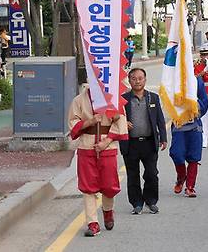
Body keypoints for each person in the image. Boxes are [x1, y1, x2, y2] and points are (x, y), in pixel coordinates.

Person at [68, 88, 128, 237]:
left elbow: (121, 119)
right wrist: (90, 121)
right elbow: (73, 122)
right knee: (88, 187)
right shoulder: (79, 100)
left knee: (109, 185)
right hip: (86, 147)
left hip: (107, 147)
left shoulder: (113, 98)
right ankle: (92, 223)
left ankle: (108, 211)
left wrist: (106, 141)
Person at [120, 68, 168, 214]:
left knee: (151, 173)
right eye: (134, 78)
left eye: (140, 78)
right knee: (132, 175)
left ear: (145, 80)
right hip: (131, 143)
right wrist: (123, 122)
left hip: (149, 142)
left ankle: (151, 201)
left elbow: (160, 118)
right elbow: (114, 117)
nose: (137, 81)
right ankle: (137, 203)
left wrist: (164, 138)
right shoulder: (123, 99)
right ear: (129, 80)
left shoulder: (152, 97)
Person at [169, 76, 208, 198]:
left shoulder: (197, 81)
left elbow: (205, 101)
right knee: (176, 153)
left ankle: (190, 187)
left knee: (194, 157)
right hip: (179, 125)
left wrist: (195, 105)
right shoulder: (172, 80)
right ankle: (181, 177)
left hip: (194, 125)